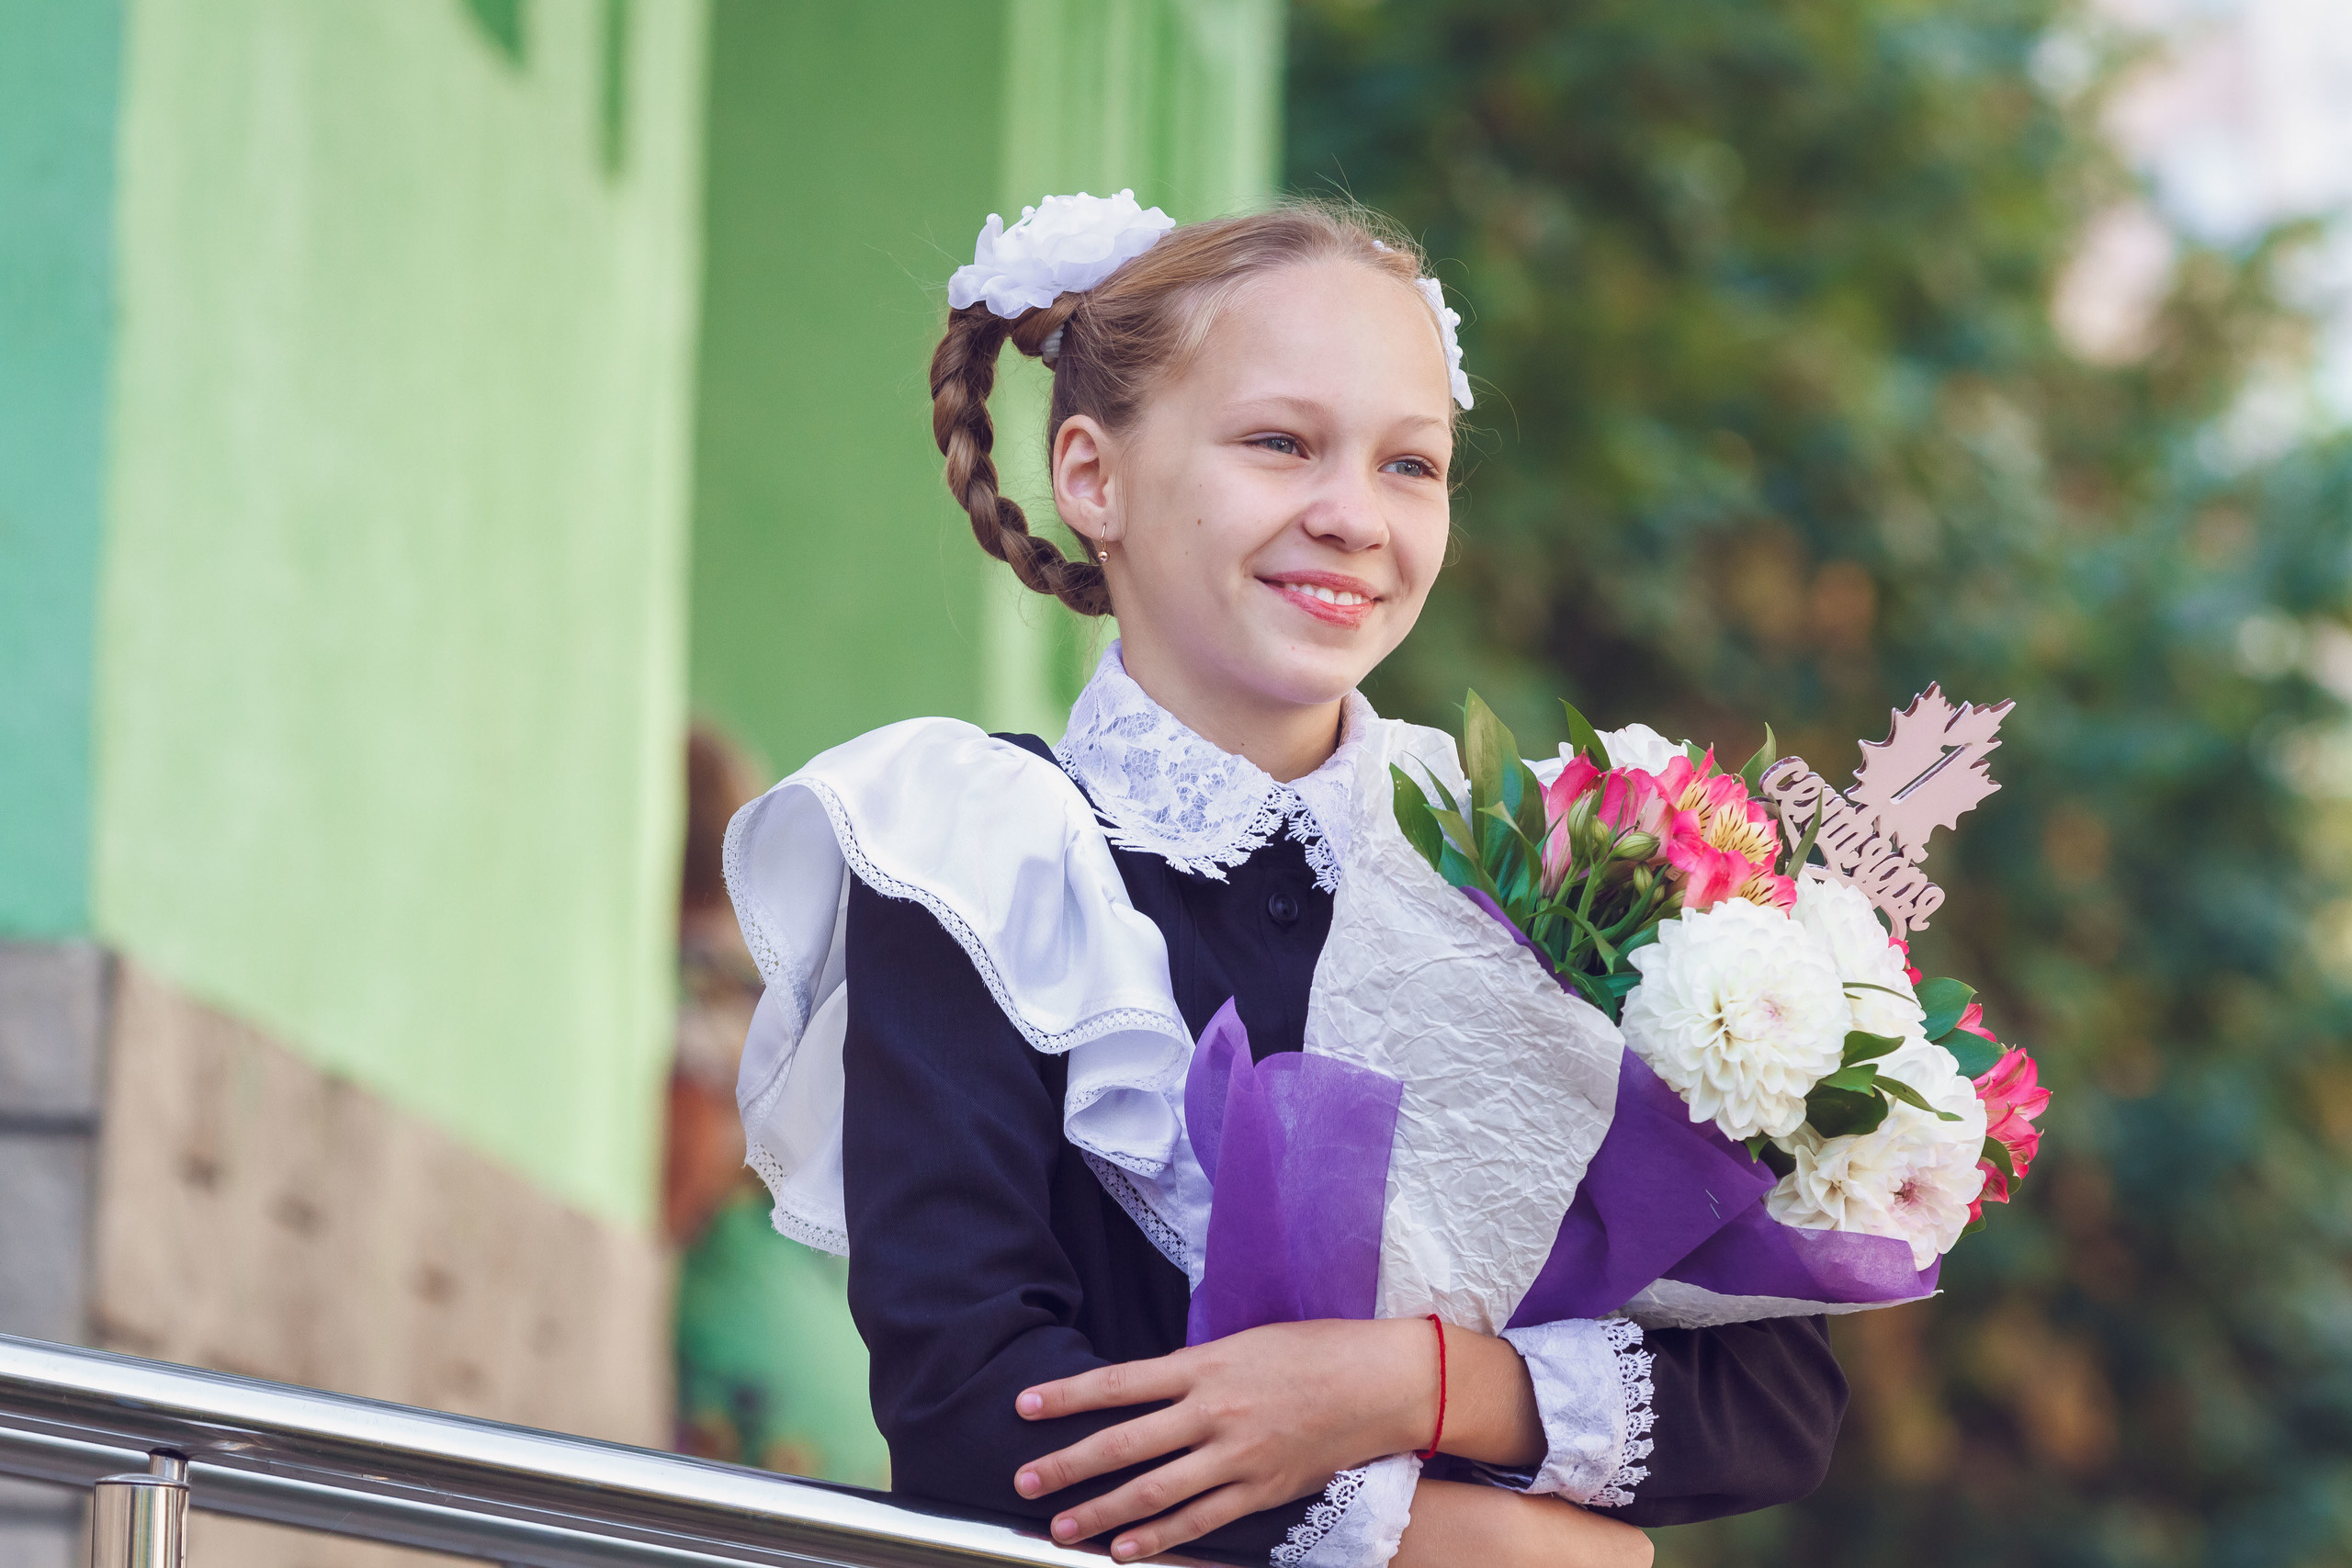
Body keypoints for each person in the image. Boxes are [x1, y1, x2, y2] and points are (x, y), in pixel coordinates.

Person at [725, 195, 1845, 1568]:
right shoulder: (974, 858)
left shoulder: (1538, 867)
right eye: (1280, 444)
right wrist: (1445, 1544)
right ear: (1093, 477)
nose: (1351, 517)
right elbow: (982, 1423)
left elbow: (1779, 1397)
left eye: (1409, 465)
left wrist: (1413, 1384)